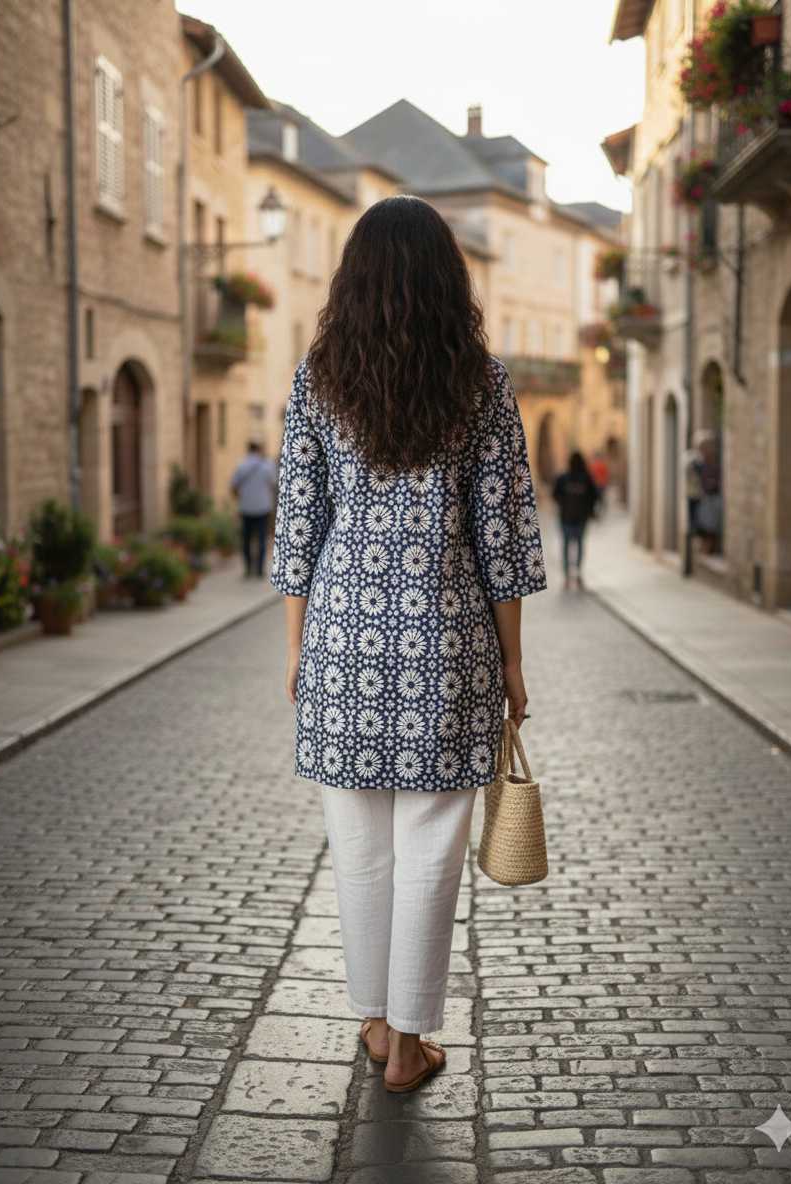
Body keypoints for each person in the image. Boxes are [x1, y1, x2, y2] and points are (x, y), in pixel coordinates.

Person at [271, 196, 546, 1094]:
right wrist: (511, 665)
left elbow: (298, 528)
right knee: (430, 841)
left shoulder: (318, 378)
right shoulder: (482, 381)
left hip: (344, 641)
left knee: (357, 841)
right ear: (446, 279)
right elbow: (502, 535)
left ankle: (378, 1022)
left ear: (352, 279)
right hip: (447, 639)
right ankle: (412, 1043)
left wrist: (297, 650)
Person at [230, 441, 277, 577]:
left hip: (246, 507)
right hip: (263, 507)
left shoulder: (241, 465)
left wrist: (241, 498)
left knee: (246, 539)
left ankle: (248, 568)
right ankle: (260, 570)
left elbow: (233, 487)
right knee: (261, 538)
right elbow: (274, 485)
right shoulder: (266, 465)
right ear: (259, 449)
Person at [552, 451, 598, 589]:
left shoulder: (563, 477)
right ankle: (578, 572)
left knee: (566, 545)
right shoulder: (586, 478)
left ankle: (567, 575)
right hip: (581, 517)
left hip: (566, 517)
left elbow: (555, 494)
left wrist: (564, 505)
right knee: (579, 544)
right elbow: (594, 496)